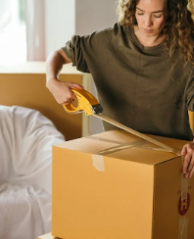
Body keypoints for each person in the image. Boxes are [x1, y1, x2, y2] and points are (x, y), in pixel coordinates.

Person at [46, 0, 194, 178]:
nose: (147, 23)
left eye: (157, 15)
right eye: (140, 13)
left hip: (171, 164)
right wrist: (52, 80)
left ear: (172, 12)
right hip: (117, 160)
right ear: (132, 7)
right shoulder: (107, 41)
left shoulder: (186, 52)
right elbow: (59, 54)